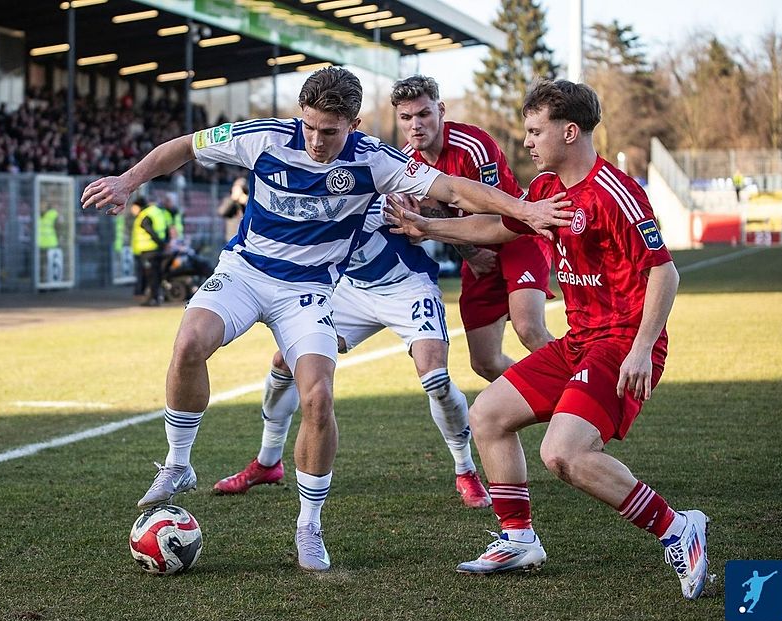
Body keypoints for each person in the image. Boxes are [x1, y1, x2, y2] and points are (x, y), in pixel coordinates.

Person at [81, 67, 570, 572]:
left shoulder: (378, 161)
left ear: (354, 125)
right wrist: (127, 180)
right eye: (310, 127)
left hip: (309, 291)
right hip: (247, 271)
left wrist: (523, 210)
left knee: (317, 395)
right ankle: (178, 464)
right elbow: (184, 146)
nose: (316, 141)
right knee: (188, 344)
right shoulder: (264, 137)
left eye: (330, 131)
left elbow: (454, 188)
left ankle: (308, 527)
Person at [384, 79, 709, 600]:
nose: (529, 142)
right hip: (579, 341)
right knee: (486, 416)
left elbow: (664, 273)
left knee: (564, 455)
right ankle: (518, 539)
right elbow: (497, 228)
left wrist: (643, 348)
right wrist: (428, 227)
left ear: (570, 130)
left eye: (537, 131)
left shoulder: (615, 192)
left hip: (620, 342)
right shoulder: (543, 191)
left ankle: (678, 528)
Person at [212, 198, 491, 509]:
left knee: (435, 378)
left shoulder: (372, 193)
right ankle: (268, 462)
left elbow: (427, 205)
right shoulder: (304, 205)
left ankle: (465, 470)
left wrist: (433, 226)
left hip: (407, 287)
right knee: (284, 362)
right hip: (351, 291)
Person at [392, 75, 554, 382]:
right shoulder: (403, 164)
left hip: (517, 235)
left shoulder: (472, 145)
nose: (416, 124)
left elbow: (492, 213)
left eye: (424, 113)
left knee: (528, 328)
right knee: (485, 362)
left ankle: (585, 387)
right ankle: (545, 393)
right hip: (474, 249)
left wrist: (435, 226)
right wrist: (470, 253)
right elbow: (432, 216)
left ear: (440, 110)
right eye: (406, 117)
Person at [129, 196, 168, 306]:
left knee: (151, 276)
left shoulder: (144, 216)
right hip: (155, 250)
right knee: (155, 275)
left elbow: (150, 231)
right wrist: (163, 244)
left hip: (148, 251)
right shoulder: (155, 212)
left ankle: (153, 299)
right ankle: (154, 298)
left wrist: (161, 243)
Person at [217, 176, 248, 241]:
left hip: (246, 238)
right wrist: (232, 199)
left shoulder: (248, 201)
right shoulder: (228, 200)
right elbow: (221, 212)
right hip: (232, 237)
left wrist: (244, 200)